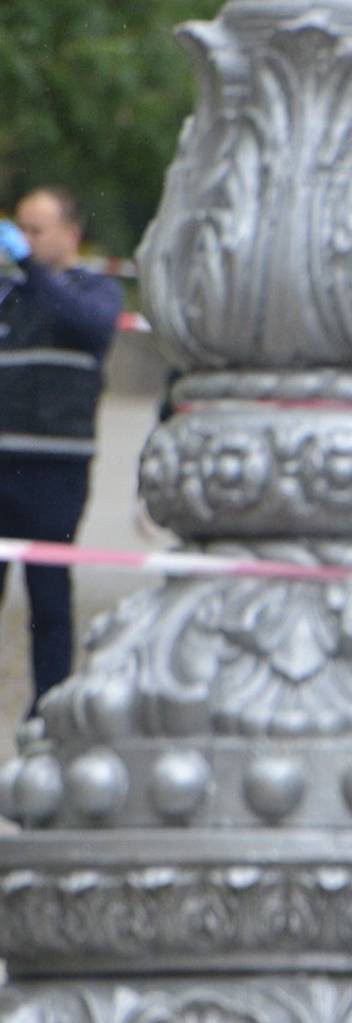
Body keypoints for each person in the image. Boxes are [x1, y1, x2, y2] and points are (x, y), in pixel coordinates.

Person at [0, 189, 122, 711]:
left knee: (49, 599)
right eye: (19, 229)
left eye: (36, 230)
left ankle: (46, 712)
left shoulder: (94, 288)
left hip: (56, 469)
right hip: (1, 463)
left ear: (69, 235)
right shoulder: (9, 293)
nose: (24, 240)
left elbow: (89, 326)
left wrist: (30, 268)